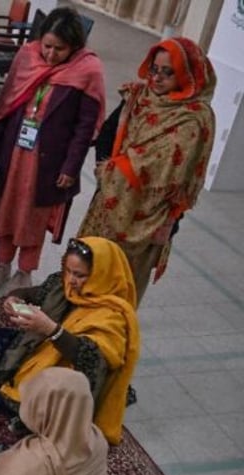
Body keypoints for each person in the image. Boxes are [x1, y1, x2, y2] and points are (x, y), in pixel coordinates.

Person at [78, 37, 216, 304]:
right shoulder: (137, 97)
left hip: (148, 223)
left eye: (168, 72)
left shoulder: (196, 117)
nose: (157, 78)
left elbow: (184, 179)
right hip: (108, 207)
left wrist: (169, 222)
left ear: (189, 73)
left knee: (120, 291)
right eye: (154, 69)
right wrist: (110, 179)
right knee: (88, 273)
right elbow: (107, 136)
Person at [0, 7, 105, 294]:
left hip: (49, 161)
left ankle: (24, 272)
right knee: (8, 209)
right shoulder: (27, 57)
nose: (50, 54)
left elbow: (84, 127)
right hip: (16, 154)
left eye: (59, 49)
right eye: (47, 46)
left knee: (33, 216)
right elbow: (6, 103)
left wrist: (70, 168)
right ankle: (2, 264)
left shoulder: (87, 71)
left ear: (74, 46)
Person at [0, 236, 139, 445]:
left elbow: (92, 361)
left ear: (100, 274)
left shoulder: (112, 315)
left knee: (34, 406)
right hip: (42, 351)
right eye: (68, 271)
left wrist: (51, 330)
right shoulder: (63, 285)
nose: (71, 280)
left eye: (79, 275)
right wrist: (15, 296)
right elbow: (36, 293)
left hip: (69, 377)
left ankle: (24, 416)